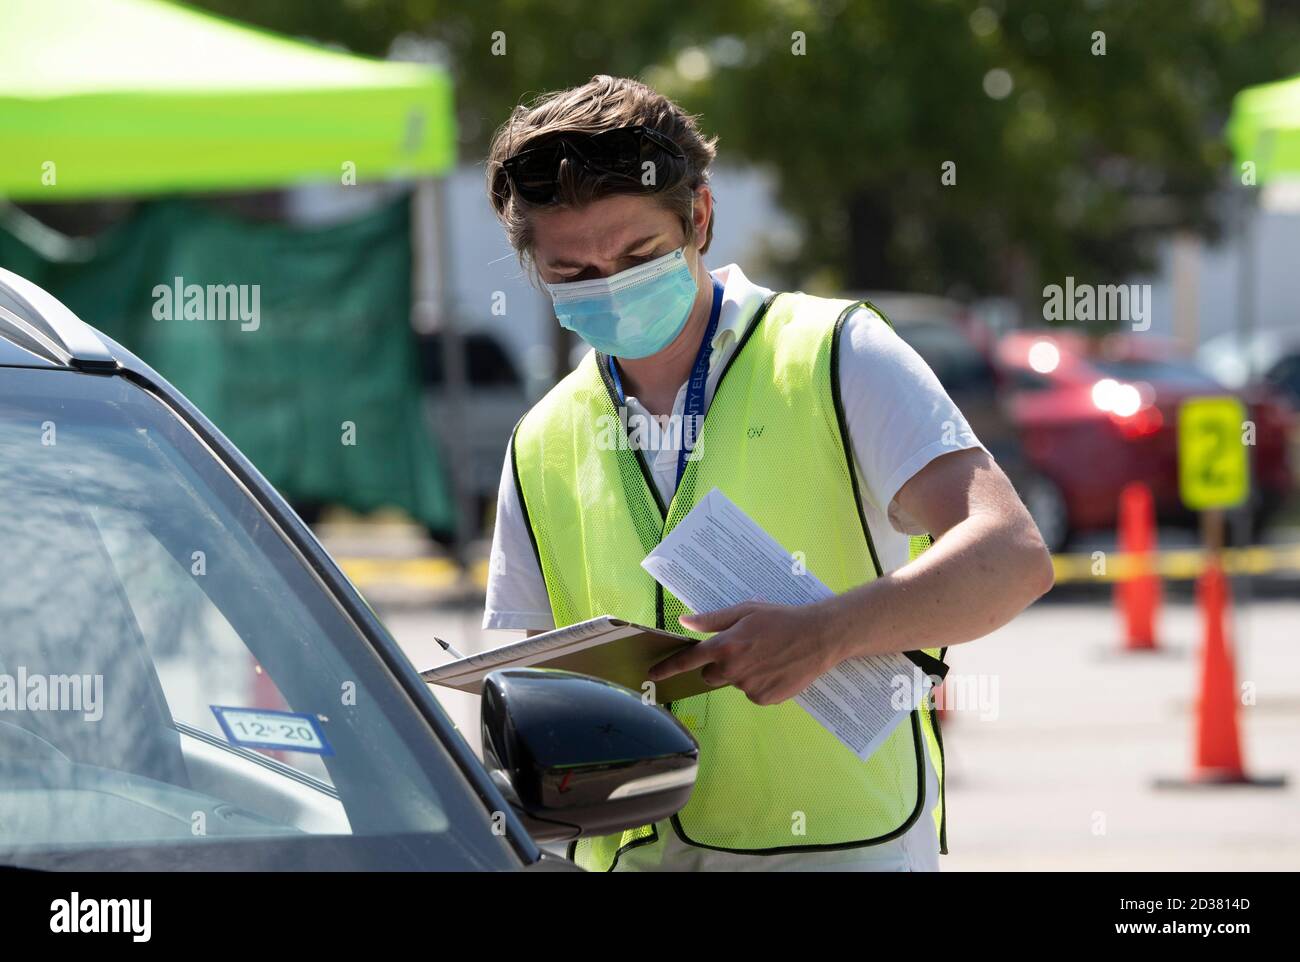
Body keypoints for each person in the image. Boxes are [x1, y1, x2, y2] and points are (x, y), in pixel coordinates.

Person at [482, 75, 1054, 872]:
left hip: (838, 851)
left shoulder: (836, 352)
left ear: (701, 218)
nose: (608, 284)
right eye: (573, 273)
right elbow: (522, 669)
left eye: (637, 254)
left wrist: (825, 636)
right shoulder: (539, 438)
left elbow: (1012, 556)